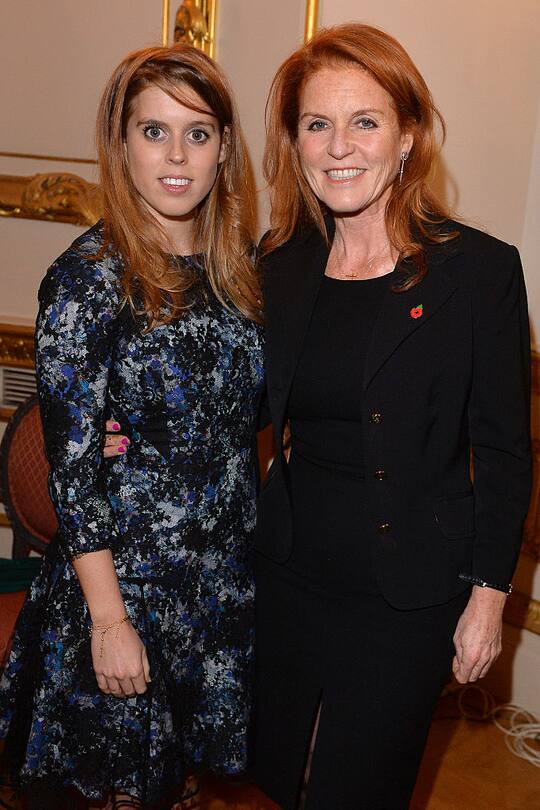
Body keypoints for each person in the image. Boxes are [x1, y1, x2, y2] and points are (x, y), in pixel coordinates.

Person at [251, 23, 531, 810]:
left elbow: (505, 453)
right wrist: (137, 432)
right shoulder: (280, 267)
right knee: (289, 774)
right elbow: (237, 410)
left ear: (406, 137)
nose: (340, 145)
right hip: (292, 573)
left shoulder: (477, 272)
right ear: (296, 142)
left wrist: (487, 603)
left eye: (364, 121)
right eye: (317, 123)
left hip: (408, 592)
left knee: (355, 787)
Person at [0, 43, 264, 810]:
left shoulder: (238, 273)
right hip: (128, 595)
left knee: (182, 791)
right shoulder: (88, 280)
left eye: (199, 132)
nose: (177, 155)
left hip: (217, 593)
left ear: (224, 151)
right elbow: (74, 474)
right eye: (154, 132)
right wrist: (110, 623)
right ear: (120, 146)